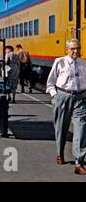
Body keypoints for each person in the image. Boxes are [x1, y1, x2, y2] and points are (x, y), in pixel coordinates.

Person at [46, 39, 86, 175]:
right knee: (61, 128)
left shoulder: (84, 63)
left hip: (81, 99)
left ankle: (79, 163)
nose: (76, 51)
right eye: (73, 49)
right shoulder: (60, 62)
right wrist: (54, 96)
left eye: (78, 48)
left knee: (81, 129)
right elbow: (50, 82)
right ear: (67, 50)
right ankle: (60, 153)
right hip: (63, 97)